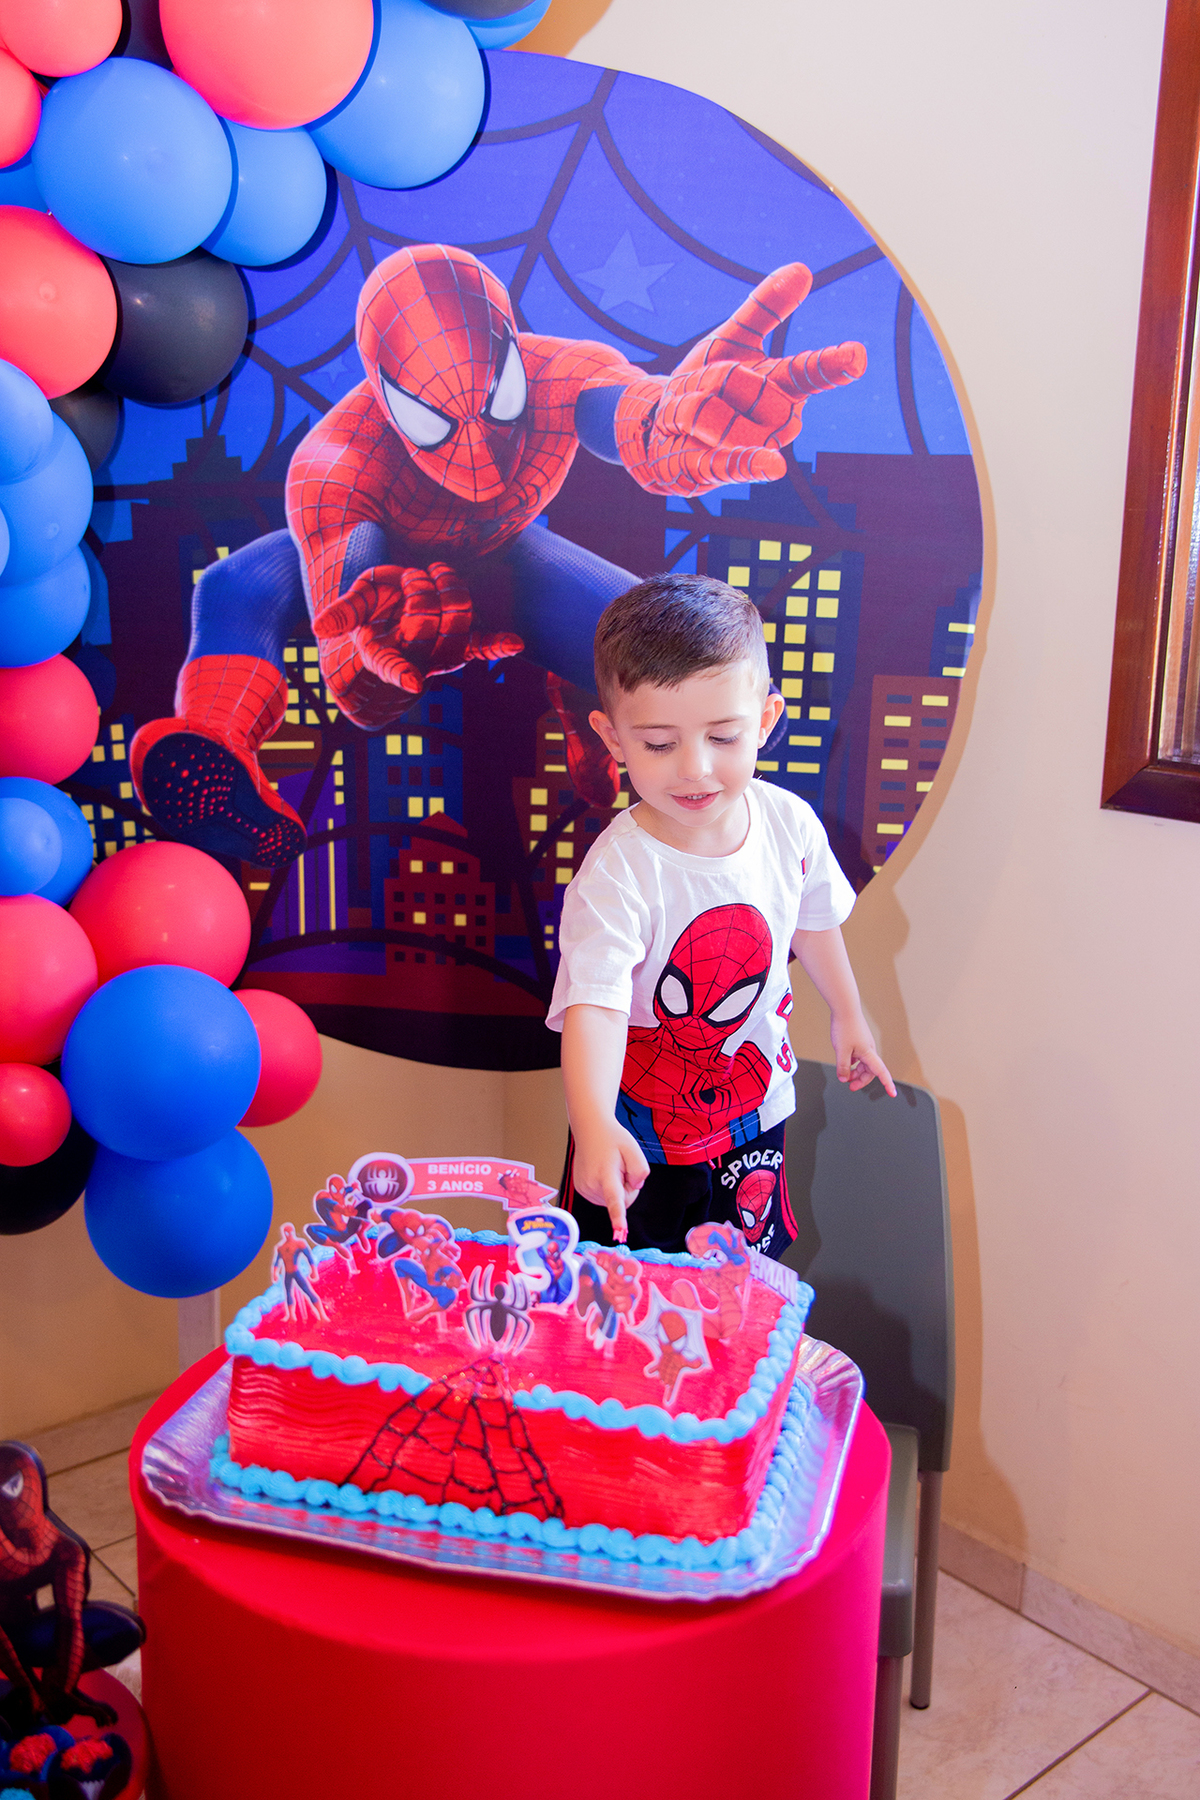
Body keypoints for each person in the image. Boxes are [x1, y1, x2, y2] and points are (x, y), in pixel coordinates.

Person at [546, 574, 895, 1258]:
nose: (695, 769)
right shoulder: (618, 873)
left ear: (765, 719)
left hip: (754, 1112)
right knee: (628, 1296)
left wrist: (848, 1011)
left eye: (724, 737)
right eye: (658, 743)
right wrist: (591, 1124)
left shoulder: (788, 824)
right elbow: (596, 1005)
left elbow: (812, 918)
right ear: (612, 738)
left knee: (744, 1285)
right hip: (640, 1136)